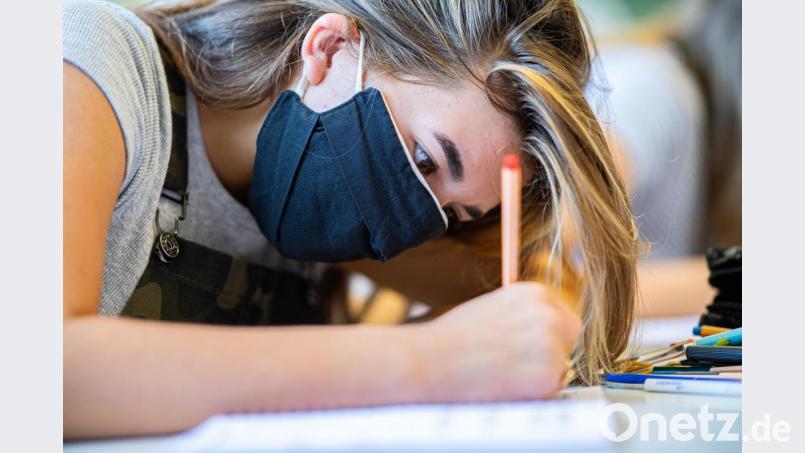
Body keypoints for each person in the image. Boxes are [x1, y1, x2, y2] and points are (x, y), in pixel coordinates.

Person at [64, 0, 639, 438]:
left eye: (455, 212)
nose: (414, 220)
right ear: (332, 47)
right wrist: (426, 362)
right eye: (422, 160)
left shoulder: (337, 206)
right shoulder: (92, 56)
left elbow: (536, 293)